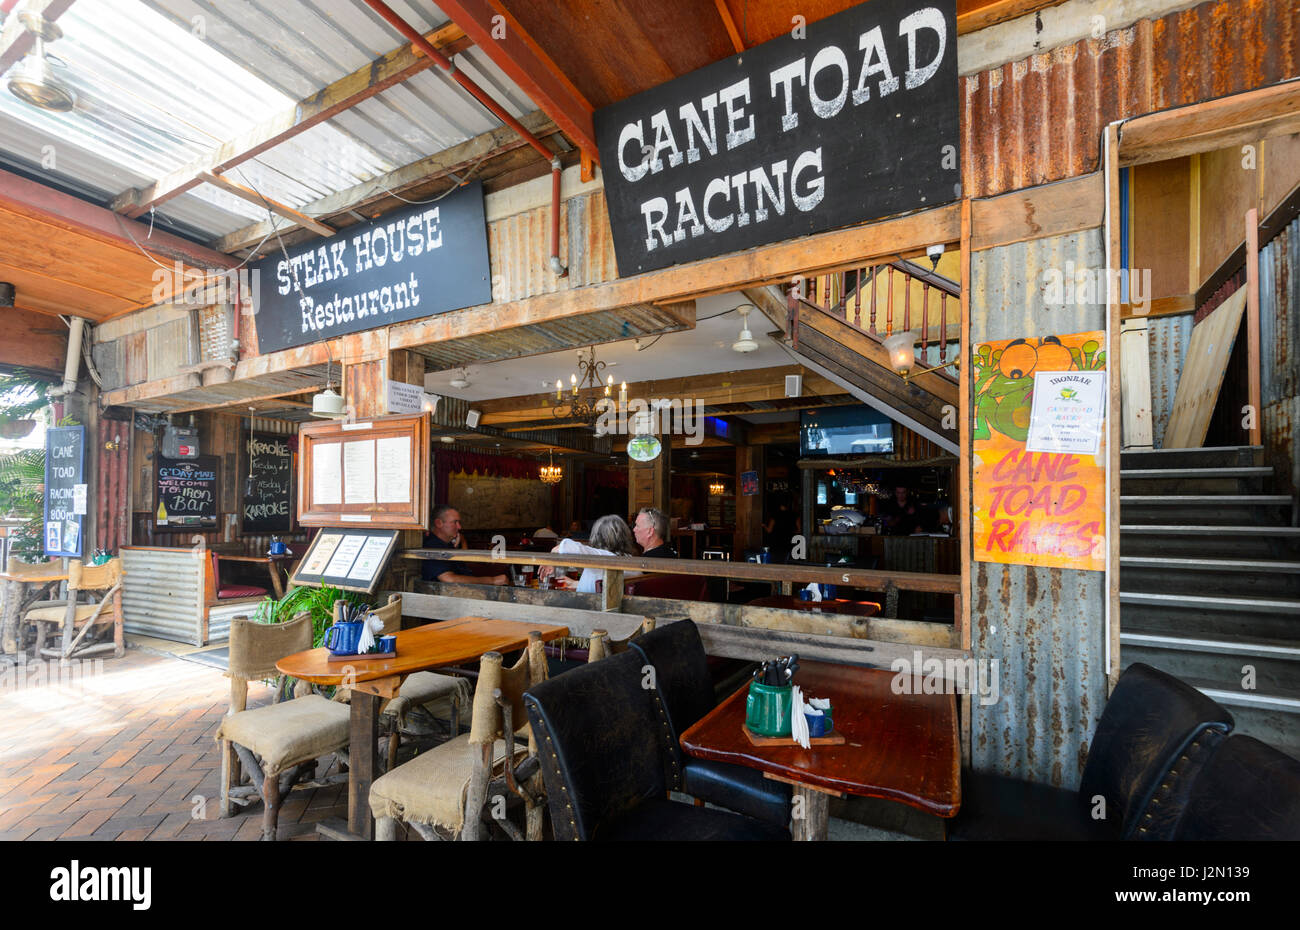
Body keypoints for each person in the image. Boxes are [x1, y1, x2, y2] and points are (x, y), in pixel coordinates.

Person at [541, 514, 642, 593]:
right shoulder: (632, 563)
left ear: (596, 537)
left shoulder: (603, 557)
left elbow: (569, 547)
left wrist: (551, 556)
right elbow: (604, 586)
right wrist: (577, 584)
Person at [421, 505, 508, 585]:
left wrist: (462, 540)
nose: (459, 527)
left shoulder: (449, 543)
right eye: (455, 522)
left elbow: (464, 563)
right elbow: (449, 579)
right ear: (438, 523)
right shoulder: (432, 545)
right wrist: (492, 580)